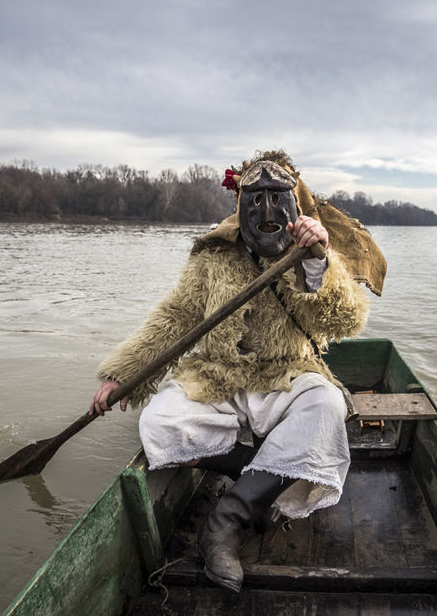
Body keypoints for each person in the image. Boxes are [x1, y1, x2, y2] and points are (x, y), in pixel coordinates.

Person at [89, 150, 384, 592]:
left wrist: (317, 263)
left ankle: (225, 524)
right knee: (157, 422)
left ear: (294, 206)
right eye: (256, 199)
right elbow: (175, 319)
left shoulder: (311, 255)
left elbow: (346, 322)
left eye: (276, 199)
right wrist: (123, 374)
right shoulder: (213, 257)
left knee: (325, 405)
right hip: (218, 376)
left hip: (287, 375)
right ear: (240, 204)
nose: (266, 210)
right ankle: (260, 474)